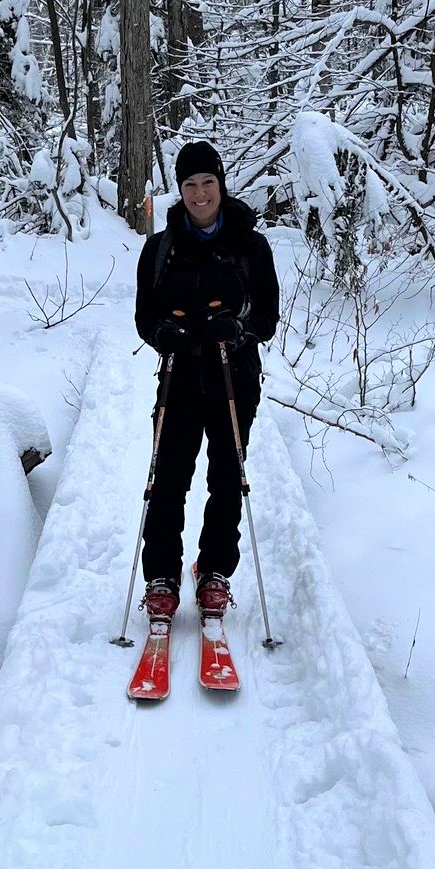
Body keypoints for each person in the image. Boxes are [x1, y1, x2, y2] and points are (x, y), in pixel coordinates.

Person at [135, 141, 280, 622]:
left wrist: (239, 331)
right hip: (179, 379)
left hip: (233, 380)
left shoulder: (250, 246)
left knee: (226, 478)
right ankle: (161, 577)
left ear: (221, 184)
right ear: (180, 189)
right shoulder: (159, 248)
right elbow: (144, 317)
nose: (200, 194)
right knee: (168, 478)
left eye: (208, 183)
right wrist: (162, 333)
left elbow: (267, 315)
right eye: (190, 184)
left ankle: (215, 572)